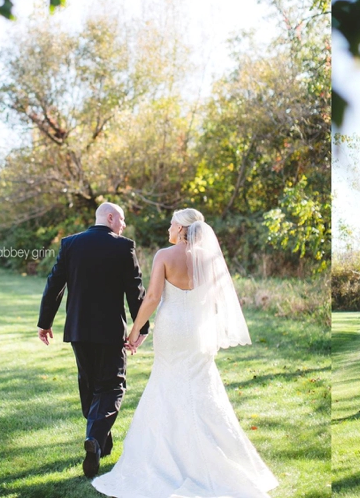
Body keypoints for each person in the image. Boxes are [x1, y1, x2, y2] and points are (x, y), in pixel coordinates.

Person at [92, 208, 278, 498]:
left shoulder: (164, 256)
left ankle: (170, 457)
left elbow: (152, 297)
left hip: (172, 329)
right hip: (198, 331)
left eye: (172, 223)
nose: (168, 227)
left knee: (166, 382)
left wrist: (134, 332)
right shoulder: (210, 258)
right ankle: (216, 455)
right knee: (202, 386)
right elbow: (217, 299)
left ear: (181, 229)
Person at [37, 202, 149, 478]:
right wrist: (141, 328)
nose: (123, 226)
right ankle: (96, 440)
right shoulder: (123, 247)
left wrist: (45, 322)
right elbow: (135, 290)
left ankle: (99, 444)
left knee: (90, 385)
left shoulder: (71, 244)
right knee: (113, 386)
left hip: (78, 329)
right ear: (110, 217)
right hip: (110, 331)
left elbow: (54, 284)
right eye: (121, 220)